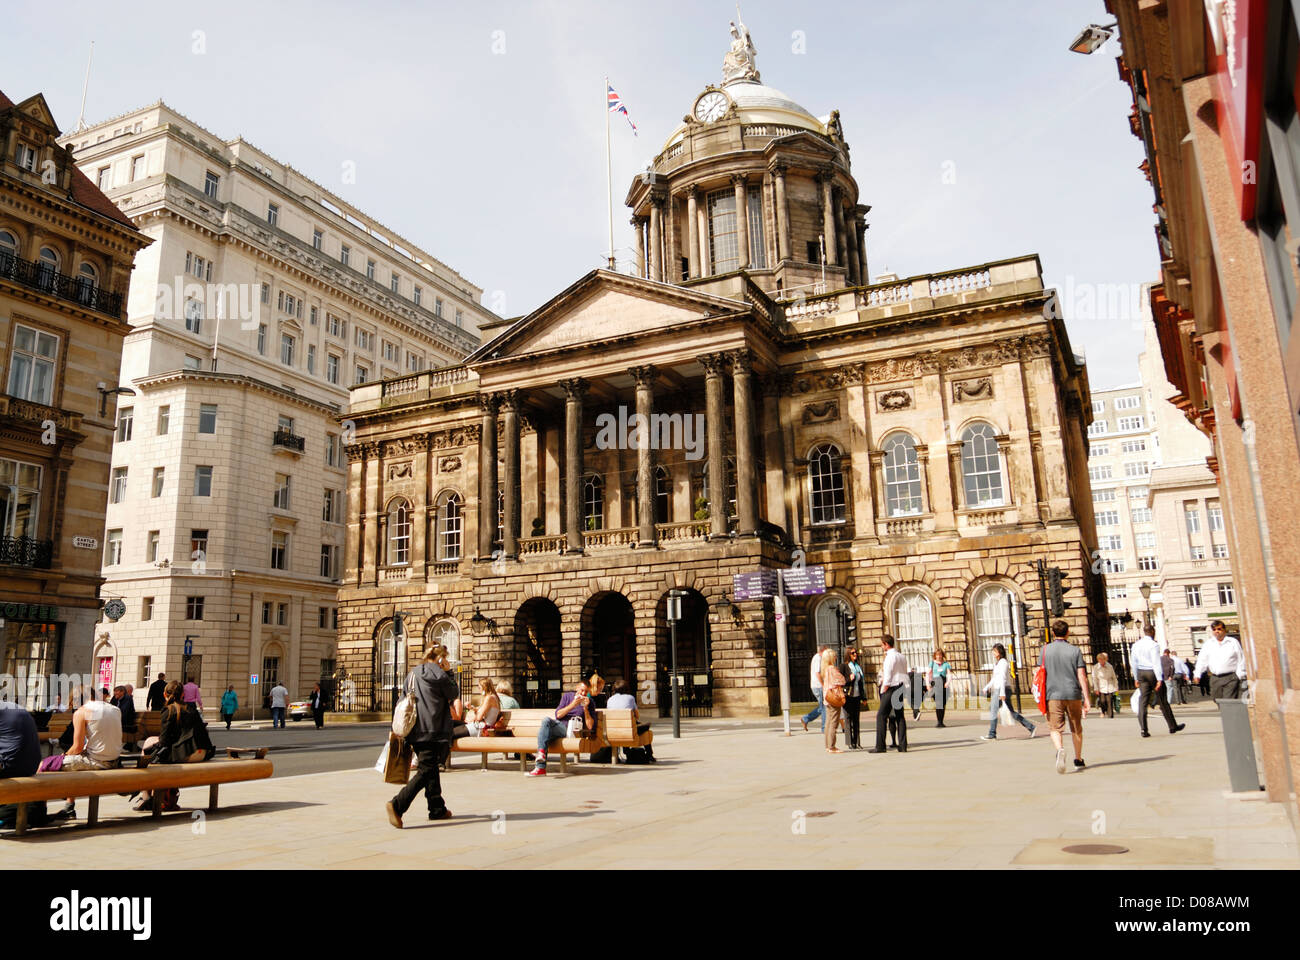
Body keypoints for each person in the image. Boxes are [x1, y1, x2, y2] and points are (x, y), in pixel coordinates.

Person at [386, 644, 459, 828]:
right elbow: (453, 693)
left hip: (414, 730)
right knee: (426, 771)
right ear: (440, 658)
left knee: (430, 768)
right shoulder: (441, 675)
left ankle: (437, 809)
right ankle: (397, 804)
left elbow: (402, 698)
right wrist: (449, 672)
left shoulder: (412, 674)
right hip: (433, 730)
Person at [135, 680, 215, 811]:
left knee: (149, 745)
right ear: (183, 695)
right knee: (153, 746)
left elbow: (164, 742)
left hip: (187, 753)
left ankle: (146, 796)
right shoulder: (191, 709)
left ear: (165, 694)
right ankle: (158, 796)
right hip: (201, 753)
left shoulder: (168, 710)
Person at [1042, 620, 1090, 773]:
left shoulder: (1045, 650)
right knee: (1076, 728)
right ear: (1067, 632)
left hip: (1053, 694)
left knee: (1055, 728)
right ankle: (1078, 759)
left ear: (1053, 633)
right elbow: (1081, 675)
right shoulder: (1075, 651)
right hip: (1073, 693)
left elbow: (1039, 673)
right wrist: (1087, 699)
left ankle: (1060, 749)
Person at [527, 679, 595, 776]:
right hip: (560, 726)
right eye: (581, 690)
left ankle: (540, 767)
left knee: (544, 735)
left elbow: (590, 726)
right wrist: (573, 705)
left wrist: (585, 709)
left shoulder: (590, 702)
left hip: (572, 730)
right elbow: (558, 715)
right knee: (546, 722)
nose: (583, 693)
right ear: (577, 688)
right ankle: (541, 757)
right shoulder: (567, 696)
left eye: (586, 691)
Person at [1131, 625, 1184, 738]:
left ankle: (1143, 729)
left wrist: (1136, 677)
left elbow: (1133, 662)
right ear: (1152, 631)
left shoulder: (1136, 645)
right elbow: (1156, 662)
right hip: (1152, 673)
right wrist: (1159, 679)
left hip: (1141, 672)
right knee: (1162, 700)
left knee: (1143, 701)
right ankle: (1172, 726)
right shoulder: (1154, 645)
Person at [980, 643, 1037, 740]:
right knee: (1011, 712)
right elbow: (995, 678)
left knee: (993, 710)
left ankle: (992, 734)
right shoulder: (998, 663)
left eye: (994, 651)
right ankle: (1031, 727)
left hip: (1002, 689)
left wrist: (1002, 693)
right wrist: (987, 687)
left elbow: (1002, 678)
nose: (993, 653)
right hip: (1000, 689)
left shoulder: (1003, 663)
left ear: (999, 652)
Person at [1192, 620, 1249, 701]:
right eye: (1214, 630)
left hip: (1231, 677)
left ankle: (1228, 713)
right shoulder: (1208, 644)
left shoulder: (1232, 642)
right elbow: (1202, 660)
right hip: (1215, 678)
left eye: (1219, 629)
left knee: (1229, 701)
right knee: (1217, 700)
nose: (1217, 631)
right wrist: (1197, 674)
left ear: (1224, 630)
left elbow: (1241, 658)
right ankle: (1225, 713)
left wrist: (1240, 674)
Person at [870, 635, 908, 753]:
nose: (881, 647)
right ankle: (903, 745)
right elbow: (904, 672)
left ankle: (880, 746)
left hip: (891, 687)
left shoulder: (889, 657)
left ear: (886, 644)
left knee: (881, 716)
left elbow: (888, 675)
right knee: (899, 716)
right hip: (901, 686)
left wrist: (883, 689)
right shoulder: (901, 656)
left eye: (882, 644)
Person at [606, 680, 655, 761]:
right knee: (646, 728)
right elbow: (637, 716)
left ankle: (627, 751)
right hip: (628, 731)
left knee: (626, 726)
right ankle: (650, 755)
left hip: (613, 731)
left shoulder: (610, 699)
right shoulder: (630, 698)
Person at [821, 649, 846, 754]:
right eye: (835, 656)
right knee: (834, 723)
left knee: (828, 722)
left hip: (827, 697)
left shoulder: (825, 669)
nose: (836, 658)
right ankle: (832, 746)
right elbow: (842, 680)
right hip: (834, 697)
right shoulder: (832, 669)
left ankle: (827, 745)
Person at [842, 647, 867, 749]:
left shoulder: (858, 667)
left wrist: (864, 697)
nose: (855, 654)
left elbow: (861, 683)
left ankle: (857, 742)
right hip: (848, 696)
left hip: (857, 696)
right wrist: (849, 679)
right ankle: (849, 742)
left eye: (856, 652)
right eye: (853, 653)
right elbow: (841, 681)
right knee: (848, 719)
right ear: (848, 654)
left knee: (856, 719)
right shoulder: (844, 666)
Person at [801, 645, 828, 733]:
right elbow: (817, 673)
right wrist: (823, 685)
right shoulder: (818, 658)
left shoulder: (818, 658)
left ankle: (805, 718)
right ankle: (824, 728)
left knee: (822, 707)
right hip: (818, 686)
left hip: (817, 685)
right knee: (824, 707)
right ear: (823, 651)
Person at [927, 649, 951, 727]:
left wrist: (948, 682)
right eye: (937, 655)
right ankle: (939, 722)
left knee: (943, 703)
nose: (939, 656)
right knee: (938, 703)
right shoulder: (932, 663)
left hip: (943, 683)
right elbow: (928, 674)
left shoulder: (946, 664)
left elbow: (949, 674)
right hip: (936, 683)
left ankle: (941, 721)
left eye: (940, 655)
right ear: (935, 656)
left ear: (942, 655)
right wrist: (928, 685)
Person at [1091, 652, 1119, 718]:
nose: (1102, 661)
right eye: (1100, 660)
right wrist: (1096, 688)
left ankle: (1110, 715)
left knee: (1109, 700)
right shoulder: (1095, 667)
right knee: (1103, 701)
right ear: (1098, 660)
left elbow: (1114, 677)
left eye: (1103, 660)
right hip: (1101, 686)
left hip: (1110, 685)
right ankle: (1103, 711)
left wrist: (1116, 687)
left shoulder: (1110, 666)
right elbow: (1094, 679)